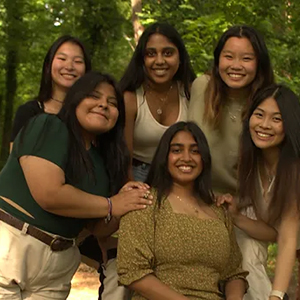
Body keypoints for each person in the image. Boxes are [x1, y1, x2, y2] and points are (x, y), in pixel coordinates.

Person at [0, 71, 152, 300]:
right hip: (11, 246)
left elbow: (97, 227)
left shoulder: (103, 162)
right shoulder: (48, 125)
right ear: (75, 100)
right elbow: (49, 194)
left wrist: (126, 203)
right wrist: (112, 204)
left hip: (57, 267)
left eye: (112, 103)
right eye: (94, 96)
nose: (103, 105)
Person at [188, 25, 274, 299]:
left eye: (246, 58)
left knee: (247, 265)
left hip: (245, 205)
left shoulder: (268, 103)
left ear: (258, 63)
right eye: (229, 56)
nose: (236, 66)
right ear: (218, 59)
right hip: (196, 198)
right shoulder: (202, 87)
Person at [117, 121, 248, 300]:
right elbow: (132, 271)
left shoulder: (218, 210)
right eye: (177, 150)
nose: (186, 158)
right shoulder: (144, 201)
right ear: (165, 156)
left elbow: (234, 273)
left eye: (195, 151)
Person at [218, 84, 300, 300]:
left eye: (276, 119)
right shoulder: (252, 159)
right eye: (259, 115)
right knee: (243, 247)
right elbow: (273, 233)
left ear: (289, 124)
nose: (264, 125)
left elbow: (287, 238)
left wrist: (276, 295)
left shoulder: (294, 170)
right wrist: (236, 215)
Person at [119, 22, 196, 182]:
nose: (159, 61)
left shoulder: (192, 91)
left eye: (168, 53)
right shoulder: (130, 97)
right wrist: (131, 187)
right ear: (142, 59)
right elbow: (124, 158)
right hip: (138, 173)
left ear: (180, 57)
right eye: (151, 54)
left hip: (183, 174)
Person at [10, 34, 92, 150]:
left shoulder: (92, 116)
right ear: (48, 65)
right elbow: (15, 159)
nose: (69, 66)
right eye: (62, 59)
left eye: (78, 61)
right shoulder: (29, 112)